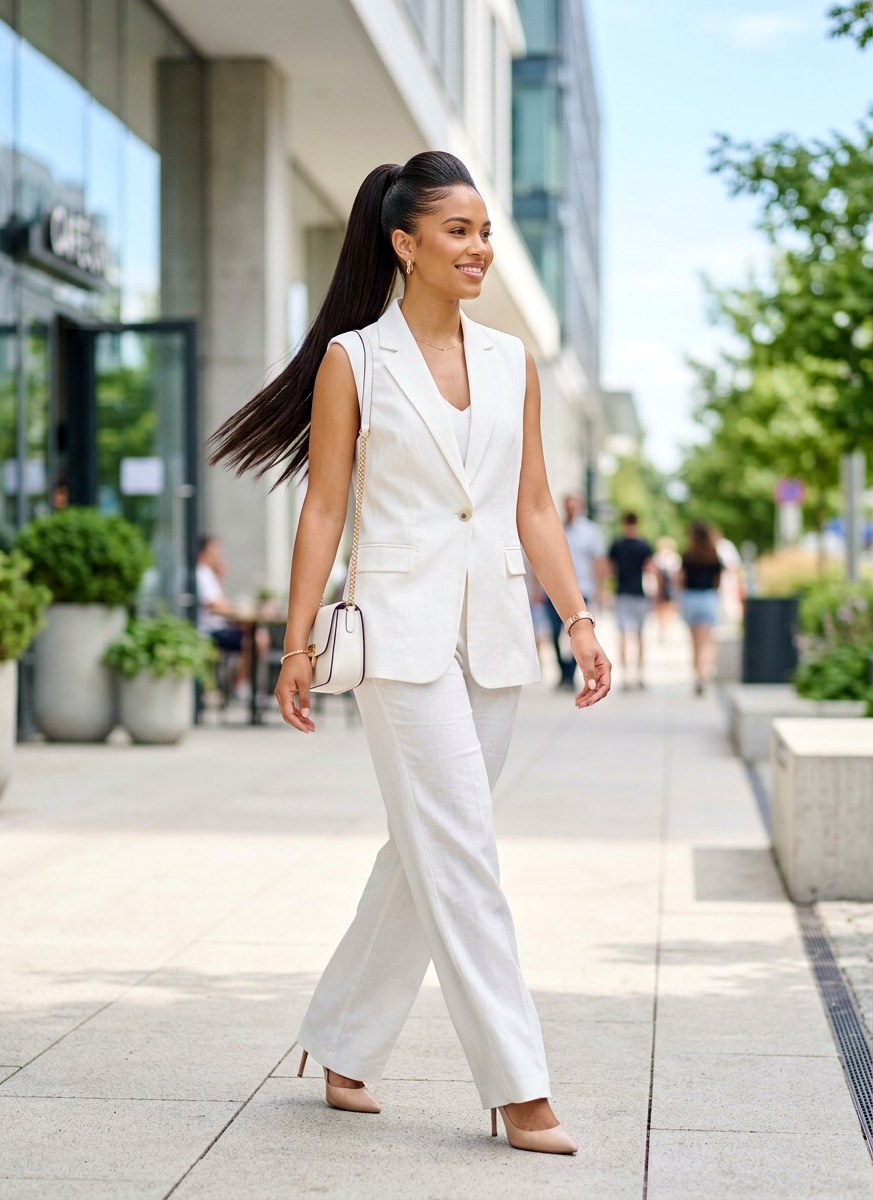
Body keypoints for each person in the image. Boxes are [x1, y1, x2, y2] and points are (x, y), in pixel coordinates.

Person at [208, 152, 612, 1155]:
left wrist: (578, 620)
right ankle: (518, 1088)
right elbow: (326, 507)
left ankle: (341, 1042)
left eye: (482, 231)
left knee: (425, 848)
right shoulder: (356, 359)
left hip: (494, 636)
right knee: (463, 850)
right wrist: (297, 644)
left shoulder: (513, 361)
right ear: (404, 243)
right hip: (396, 641)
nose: (478, 247)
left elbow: (527, 505)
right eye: (458, 231)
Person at [195, 535, 268, 701]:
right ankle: (240, 684)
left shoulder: (208, 575)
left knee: (258, 637)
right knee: (255, 640)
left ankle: (240, 682)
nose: (219, 553)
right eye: (216, 549)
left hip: (218, 626)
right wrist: (241, 610)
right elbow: (216, 606)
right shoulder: (201, 574)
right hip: (208, 631)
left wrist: (221, 579)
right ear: (205, 552)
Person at [545, 493, 607, 689]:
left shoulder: (591, 531)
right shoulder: (555, 528)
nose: (571, 509)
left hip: (582, 591)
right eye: (568, 505)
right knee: (554, 633)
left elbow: (598, 562)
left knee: (577, 634)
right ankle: (563, 671)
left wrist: (601, 590)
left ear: (580, 506)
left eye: (575, 505)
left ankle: (570, 676)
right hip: (553, 590)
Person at [607, 512, 656, 690]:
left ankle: (626, 676)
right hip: (639, 594)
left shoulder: (617, 544)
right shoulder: (643, 545)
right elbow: (651, 569)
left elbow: (610, 569)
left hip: (622, 594)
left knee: (622, 636)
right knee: (640, 635)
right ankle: (640, 674)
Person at [679, 521, 724, 695]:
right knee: (707, 641)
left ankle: (696, 674)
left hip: (691, 597)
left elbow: (681, 579)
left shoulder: (688, 555)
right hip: (708, 597)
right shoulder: (713, 555)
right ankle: (703, 674)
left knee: (695, 641)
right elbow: (718, 579)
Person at [652, 535, 681, 642]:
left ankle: (664, 629)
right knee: (665, 609)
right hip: (665, 587)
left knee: (665, 609)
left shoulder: (660, 558)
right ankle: (664, 629)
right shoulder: (670, 558)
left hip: (666, 587)